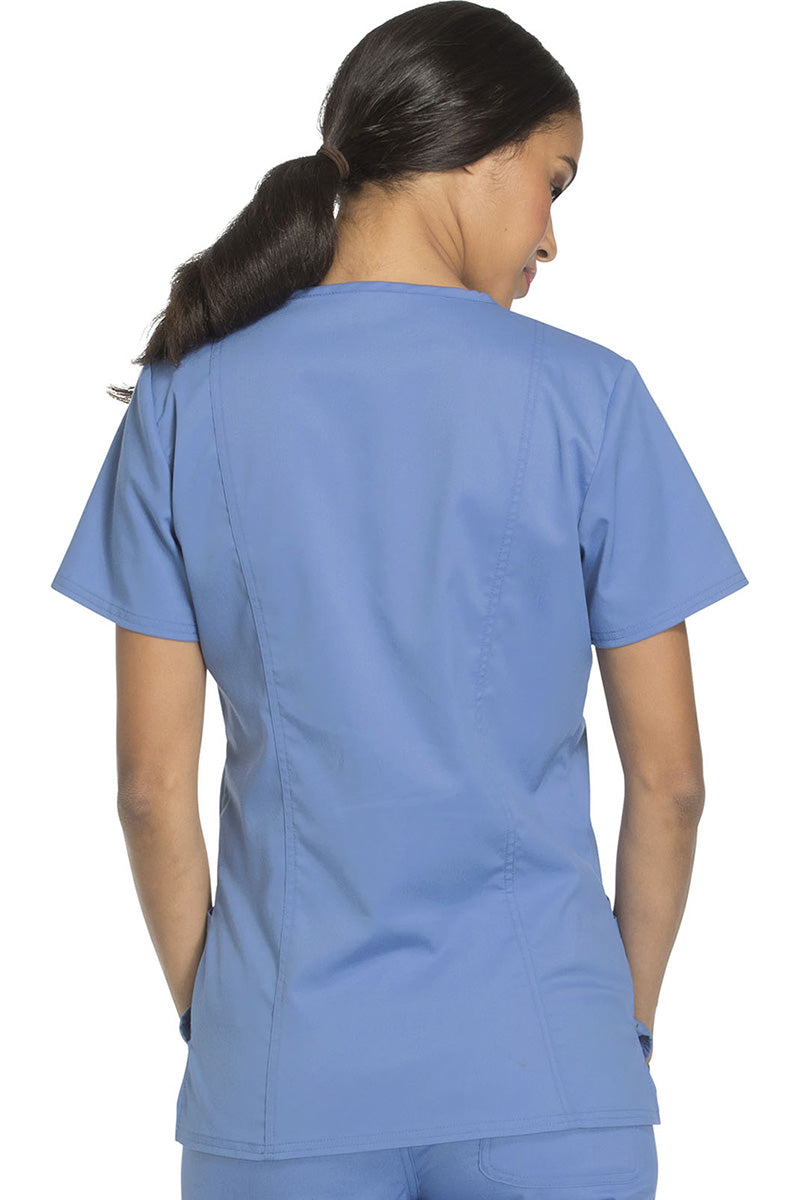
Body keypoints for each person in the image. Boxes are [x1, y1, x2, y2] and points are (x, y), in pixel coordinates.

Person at [50, 4, 748, 1198]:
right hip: (548, 1073)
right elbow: (671, 783)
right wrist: (610, 1028)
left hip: (284, 1082)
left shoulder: (184, 400)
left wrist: (225, 1031)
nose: (550, 237)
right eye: (552, 182)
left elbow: (149, 790)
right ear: (477, 151)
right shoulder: (590, 399)